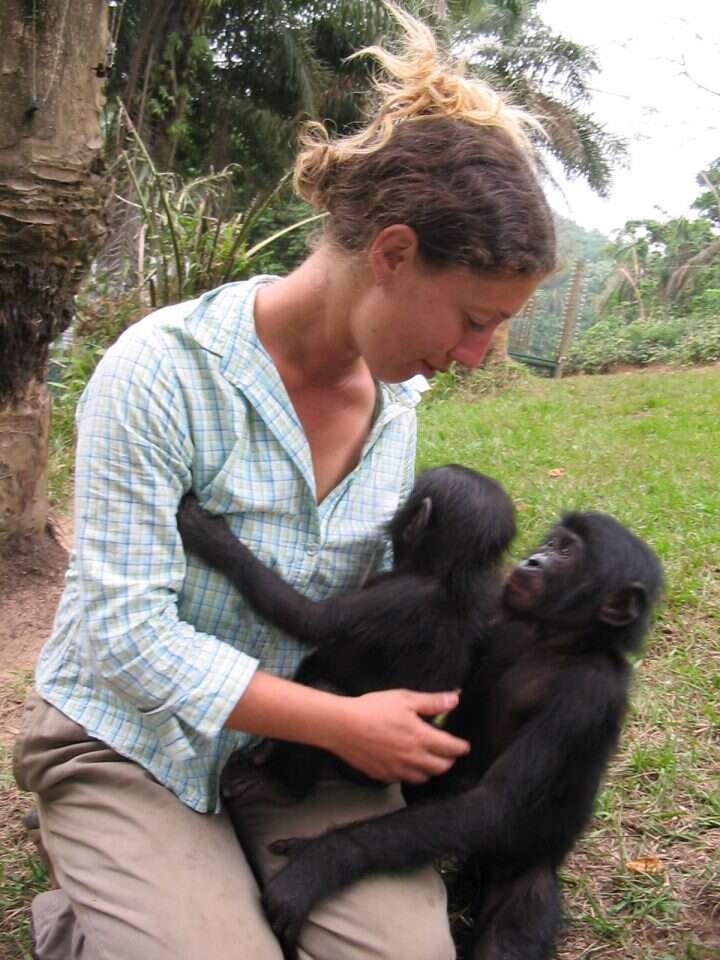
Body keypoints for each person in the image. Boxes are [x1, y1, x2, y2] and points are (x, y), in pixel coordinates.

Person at [14, 7, 556, 960]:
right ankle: (84, 912)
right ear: (392, 254)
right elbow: (123, 636)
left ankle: (199, 880)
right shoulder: (162, 370)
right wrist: (342, 721)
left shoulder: (399, 408)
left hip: (297, 752)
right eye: (474, 319)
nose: (476, 355)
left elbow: (370, 611)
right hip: (131, 738)